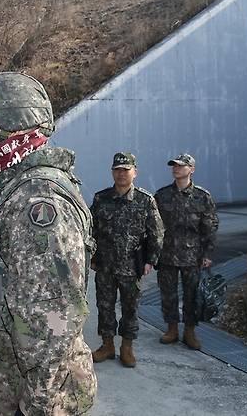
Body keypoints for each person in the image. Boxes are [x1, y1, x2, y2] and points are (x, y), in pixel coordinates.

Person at [0, 72, 97, 416]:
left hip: (28, 398)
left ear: (10, 126)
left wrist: (38, 405)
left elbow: (52, 321)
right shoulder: (5, 190)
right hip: (3, 387)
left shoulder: (36, 198)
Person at [90, 152, 164, 368]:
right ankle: (107, 345)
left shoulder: (145, 200)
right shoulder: (100, 199)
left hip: (132, 266)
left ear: (135, 172)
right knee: (104, 306)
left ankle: (127, 347)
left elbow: (157, 233)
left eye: (126, 169)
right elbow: (90, 230)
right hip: (105, 265)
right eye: (117, 170)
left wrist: (151, 259)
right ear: (112, 172)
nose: (121, 174)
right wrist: (92, 257)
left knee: (130, 308)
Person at [154, 153, 219, 350]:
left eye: (181, 166)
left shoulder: (202, 196)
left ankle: (190, 332)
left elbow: (210, 227)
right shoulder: (162, 195)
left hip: (193, 257)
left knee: (192, 295)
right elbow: (154, 227)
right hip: (167, 255)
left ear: (191, 169)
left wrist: (208, 254)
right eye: (174, 166)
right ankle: (172, 329)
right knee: (168, 295)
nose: (176, 168)